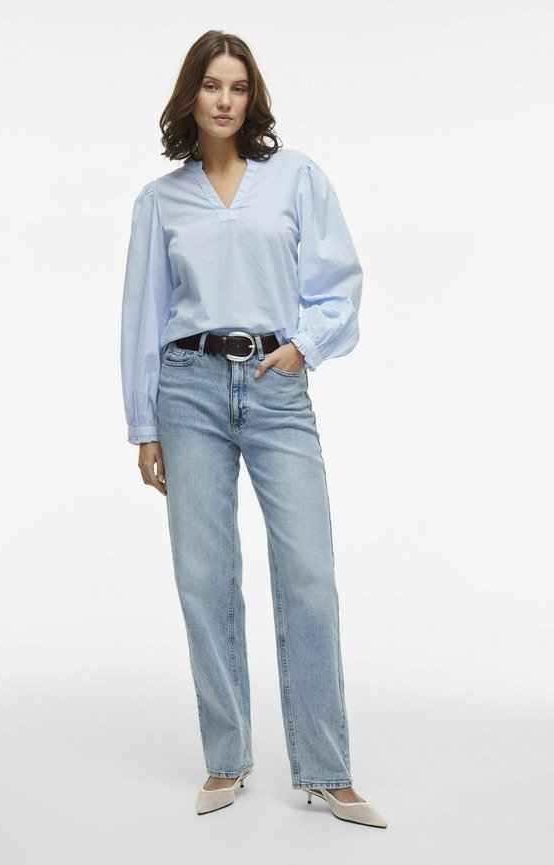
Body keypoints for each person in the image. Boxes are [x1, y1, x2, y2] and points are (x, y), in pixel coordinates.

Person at [120, 30, 387, 827]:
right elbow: (143, 315)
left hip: (276, 385)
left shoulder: (295, 177)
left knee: (308, 571)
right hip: (188, 389)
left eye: (238, 86)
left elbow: (339, 280)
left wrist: (305, 346)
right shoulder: (160, 200)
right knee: (204, 577)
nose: (225, 99)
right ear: (191, 96)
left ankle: (327, 769)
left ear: (253, 97)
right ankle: (226, 756)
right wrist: (144, 423)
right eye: (212, 85)